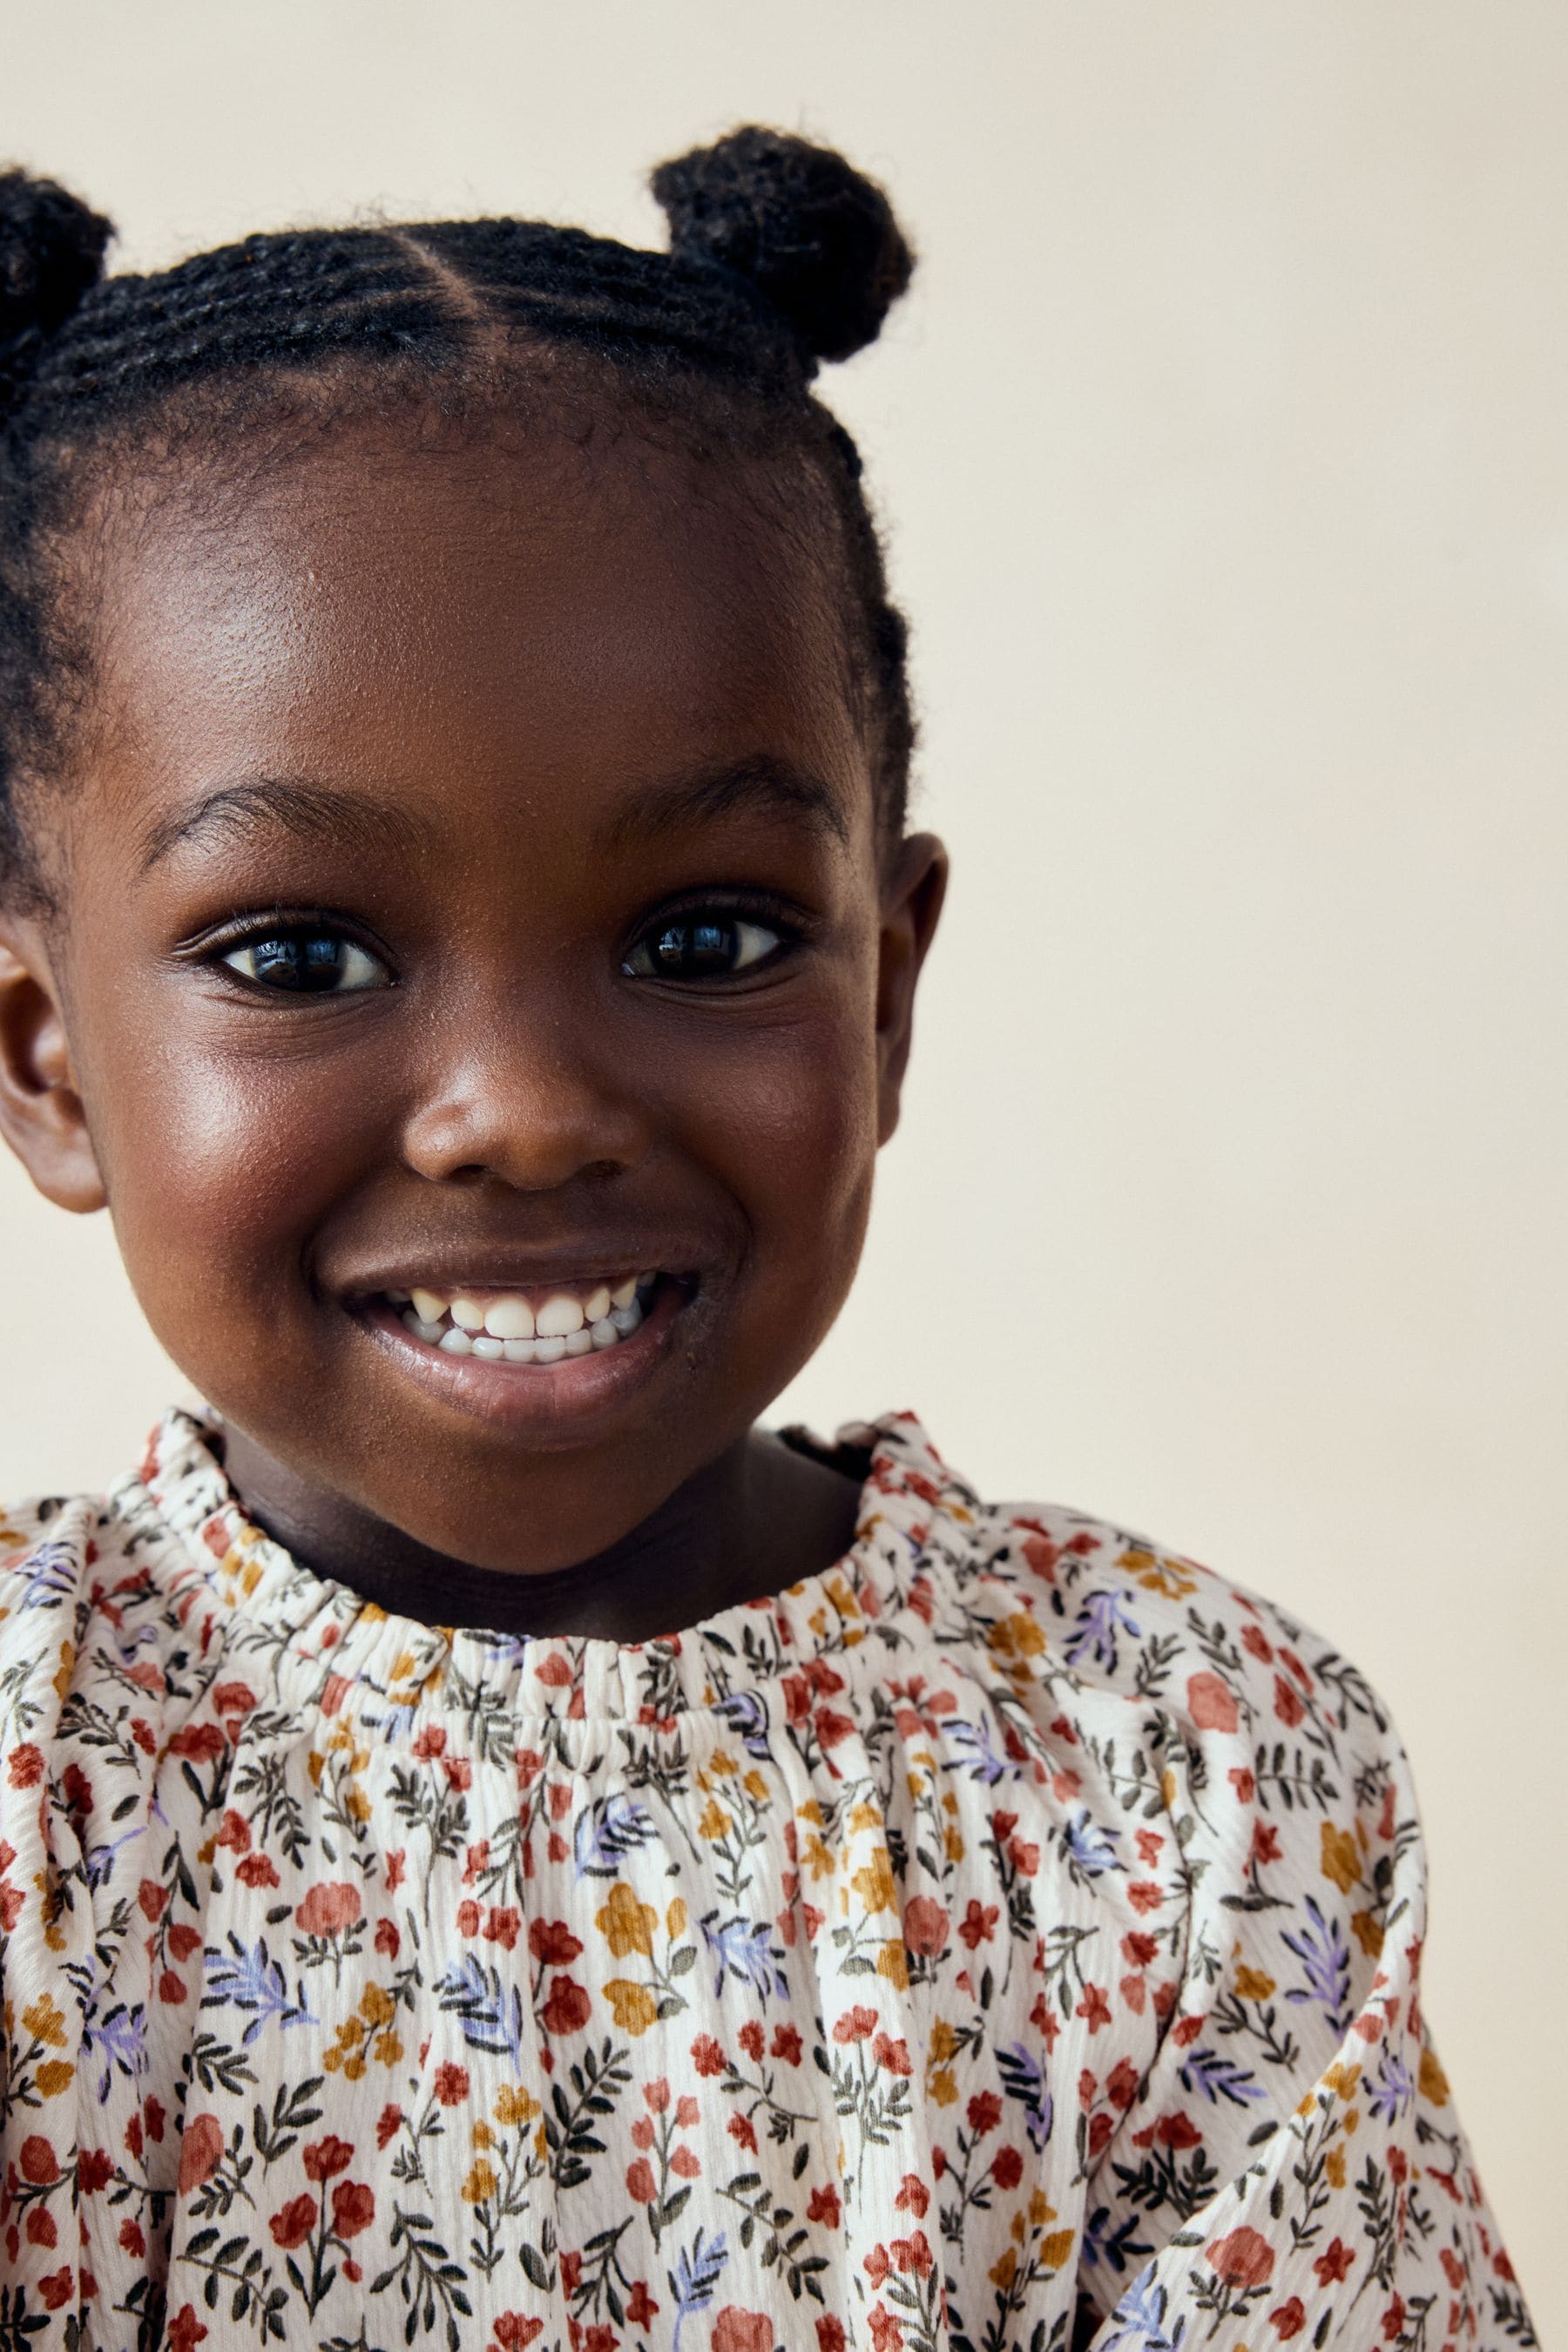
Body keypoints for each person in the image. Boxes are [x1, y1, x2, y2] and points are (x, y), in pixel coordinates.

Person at [0, 126, 1528, 2352]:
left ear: (886, 990)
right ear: (45, 1061)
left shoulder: (1186, 1780)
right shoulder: (29, 1787)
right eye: (303, 955)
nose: (520, 1115)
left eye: (705, 932)